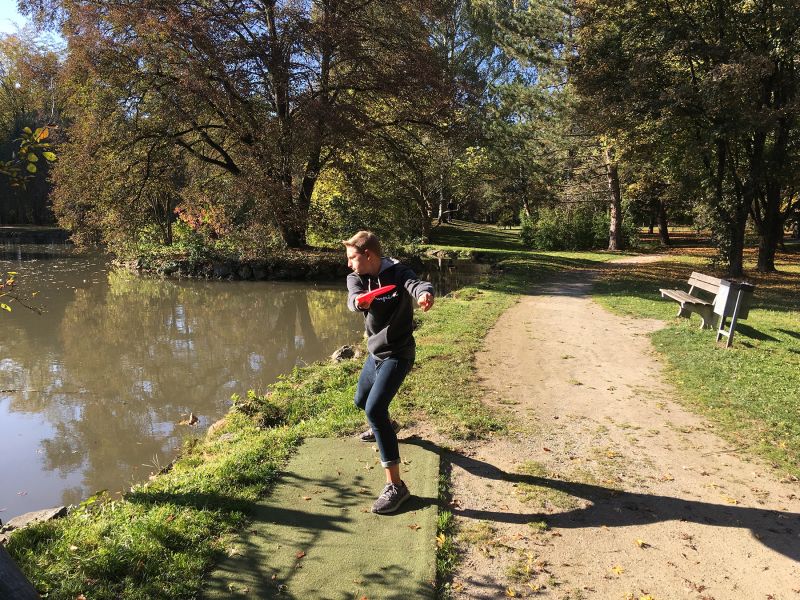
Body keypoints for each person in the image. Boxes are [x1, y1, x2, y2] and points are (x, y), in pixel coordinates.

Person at [343, 231, 434, 514]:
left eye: (352, 258)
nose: (349, 264)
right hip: (375, 353)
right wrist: (359, 302)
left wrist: (425, 294)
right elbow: (353, 298)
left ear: (368, 255)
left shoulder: (398, 272)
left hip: (399, 353)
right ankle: (387, 427)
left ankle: (396, 486)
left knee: (375, 409)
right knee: (361, 401)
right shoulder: (357, 277)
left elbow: (416, 284)